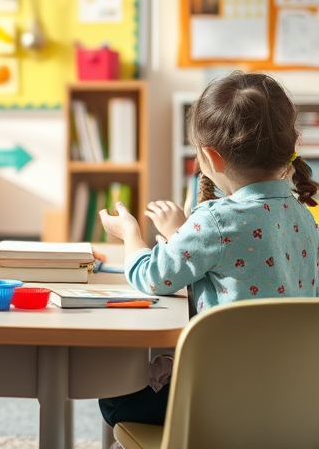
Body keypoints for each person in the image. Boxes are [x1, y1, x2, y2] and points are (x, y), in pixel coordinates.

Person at [97, 70, 319, 430]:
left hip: (220, 402)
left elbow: (152, 278)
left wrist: (131, 236)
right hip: (292, 402)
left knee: (111, 395)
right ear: (291, 143)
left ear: (211, 159)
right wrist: (182, 231)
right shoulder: (305, 217)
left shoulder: (214, 221)